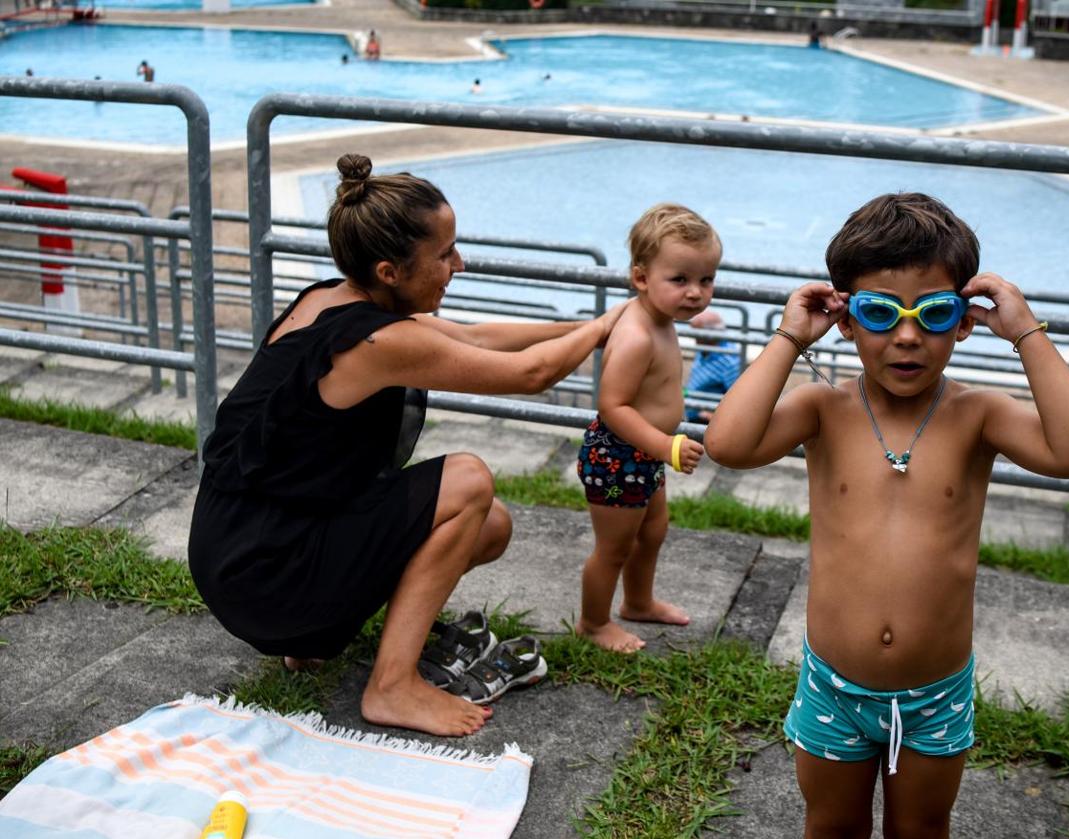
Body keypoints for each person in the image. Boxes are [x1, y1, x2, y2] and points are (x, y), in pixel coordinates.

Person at [705, 192, 1069, 838]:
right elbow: (727, 442)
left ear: (967, 320)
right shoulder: (823, 411)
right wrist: (787, 336)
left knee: (921, 828)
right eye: (879, 312)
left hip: (934, 695)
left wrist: (1027, 331)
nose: (908, 335)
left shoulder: (978, 415)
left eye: (935, 312)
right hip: (834, 686)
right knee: (831, 825)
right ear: (845, 318)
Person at [189, 153, 625, 738]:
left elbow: (477, 337)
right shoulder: (375, 341)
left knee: (489, 525)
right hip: (266, 575)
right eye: (444, 255)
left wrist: (600, 325)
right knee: (468, 479)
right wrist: (605, 329)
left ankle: (309, 640)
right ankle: (391, 687)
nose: (458, 264)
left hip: (241, 556)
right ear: (391, 271)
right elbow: (528, 375)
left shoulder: (331, 299)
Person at [574, 203, 720, 653]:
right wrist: (666, 445)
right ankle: (594, 623)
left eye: (706, 279)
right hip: (617, 457)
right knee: (614, 547)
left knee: (652, 530)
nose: (695, 293)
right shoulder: (638, 335)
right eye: (680, 280)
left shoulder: (658, 316)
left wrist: (658, 449)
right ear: (641, 278)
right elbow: (612, 405)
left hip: (643, 454)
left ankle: (637, 602)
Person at [684, 309, 741, 423]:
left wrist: (712, 414)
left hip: (704, 418)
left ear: (709, 335)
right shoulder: (704, 349)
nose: (694, 338)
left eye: (696, 334)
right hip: (690, 409)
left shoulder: (729, 360)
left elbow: (738, 397)